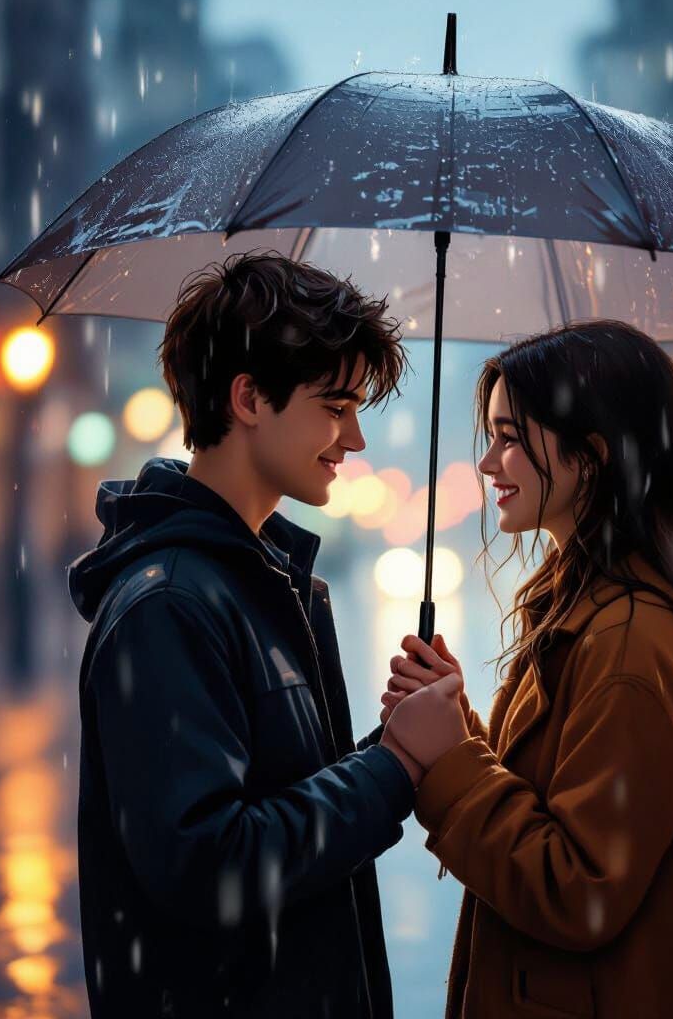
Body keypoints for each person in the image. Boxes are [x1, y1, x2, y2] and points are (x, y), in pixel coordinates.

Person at [67, 251, 434, 1018]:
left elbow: (283, 801)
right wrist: (392, 769)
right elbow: (211, 866)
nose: (355, 438)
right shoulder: (168, 607)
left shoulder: (273, 583)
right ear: (248, 398)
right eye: (335, 406)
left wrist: (393, 743)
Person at [379, 320, 673, 1018]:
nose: (488, 464)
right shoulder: (586, 611)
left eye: (510, 438)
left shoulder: (627, 646)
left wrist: (454, 764)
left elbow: (578, 891)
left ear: (590, 457)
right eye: (491, 437)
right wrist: (459, 729)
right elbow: (552, 802)